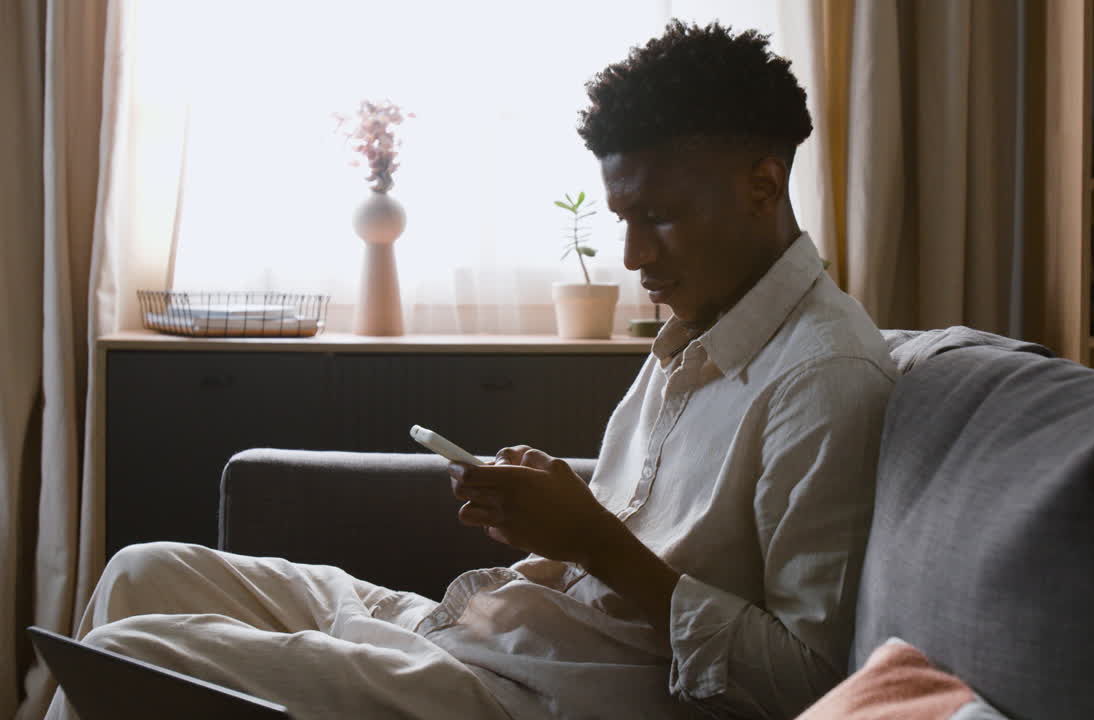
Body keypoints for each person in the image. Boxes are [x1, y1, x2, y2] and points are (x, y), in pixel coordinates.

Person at [45, 20, 896, 720]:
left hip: (536, 697)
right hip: (487, 633)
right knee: (141, 570)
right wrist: (559, 515)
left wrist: (592, 540)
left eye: (661, 218)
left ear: (764, 182)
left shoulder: (824, 378)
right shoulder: (700, 327)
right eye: (624, 218)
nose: (635, 254)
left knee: (125, 655)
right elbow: (641, 532)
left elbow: (809, 683)